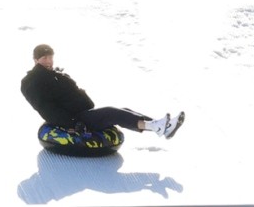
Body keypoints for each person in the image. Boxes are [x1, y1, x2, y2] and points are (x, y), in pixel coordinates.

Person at [21, 44, 185, 139]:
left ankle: (161, 125)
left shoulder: (54, 74)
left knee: (124, 110)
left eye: (50, 57)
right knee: (111, 112)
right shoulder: (32, 82)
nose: (49, 61)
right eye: (44, 58)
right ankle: (160, 127)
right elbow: (45, 108)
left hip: (83, 112)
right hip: (75, 120)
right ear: (35, 60)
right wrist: (71, 124)